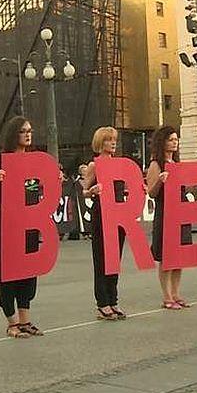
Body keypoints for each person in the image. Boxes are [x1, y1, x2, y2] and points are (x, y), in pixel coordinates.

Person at [0, 116, 44, 338]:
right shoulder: (3, 159)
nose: (28, 134)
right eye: (23, 131)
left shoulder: (34, 160)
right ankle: (12, 322)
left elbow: (39, 189)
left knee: (28, 272)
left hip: (30, 222)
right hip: (10, 223)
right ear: (13, 134)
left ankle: (25, 320)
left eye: (30, 130)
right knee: (8, 272)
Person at [81, 126, 131, 320]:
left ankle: (113, 299)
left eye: (114, 139)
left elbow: (125, 186)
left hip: (119, 212)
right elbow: (85, 190)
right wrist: (93, 190)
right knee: (102, 258)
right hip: (102, 212)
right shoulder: (94, 165)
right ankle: (102, 302)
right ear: (100, 143)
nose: (113, 143)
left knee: (115, 259)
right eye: (109, 139)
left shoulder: (119, 164)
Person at [145, 125, 190, 309]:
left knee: (179, 256)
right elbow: (151, 192)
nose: (174, 142)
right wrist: (160, 181)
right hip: (165, 211)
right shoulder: (156, 164)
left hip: (181, 210)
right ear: (162, 142)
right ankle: (167, 296)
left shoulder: (177, 164)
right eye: (171, 139)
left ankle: (176, 292)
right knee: (166, 255)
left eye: (176, 139)